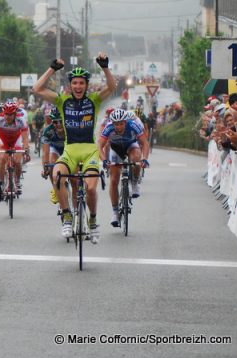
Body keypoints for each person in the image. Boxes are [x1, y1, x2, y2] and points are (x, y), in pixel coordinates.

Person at [32, 54, 116, 242]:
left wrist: (105, 68)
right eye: (75, 83)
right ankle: (67, 216)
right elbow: (37, 88)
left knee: (91, 189)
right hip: (70, 151)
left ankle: (93, 220)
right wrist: (52, 69)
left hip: (89, 152)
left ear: (86, 85)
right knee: (56, 175)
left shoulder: (93, 100)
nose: (78, 86)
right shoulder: (62, 101)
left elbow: (112, 87)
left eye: (81, 83)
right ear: (70, 85)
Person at [98, 109, 149, 227]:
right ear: (112, 123)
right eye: (116, 124)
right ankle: (115, 212)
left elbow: (145, 143)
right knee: (114, 180)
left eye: (121, 123)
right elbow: (100, 145)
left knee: (136, 158)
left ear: (126, 122)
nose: (119, 126)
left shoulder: (133, 125)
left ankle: (135, 182)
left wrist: (144, 158)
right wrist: (104, 160)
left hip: (131, 146)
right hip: (116, 150)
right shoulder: (109, 127)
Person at [0, 100, 30, 195]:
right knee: (2, 159)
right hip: (4, 141)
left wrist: (26, 149)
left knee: (17, 161)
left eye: (10, 115)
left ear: (15, 114)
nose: (7, 117)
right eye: (6, 114)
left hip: (16, 141)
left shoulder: (21, 121)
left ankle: (17, 181)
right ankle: (1, 182)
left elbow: (25, 137)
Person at [40, 107, 66, 204]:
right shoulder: (48, 131)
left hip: (68, 149)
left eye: (61, 121)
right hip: (55, 148)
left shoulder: (69, 128)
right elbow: (45, 152)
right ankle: (55, 189)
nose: (59, 124)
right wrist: (45, 167)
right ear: (52, 122)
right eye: (55, 122)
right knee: (51, 165)